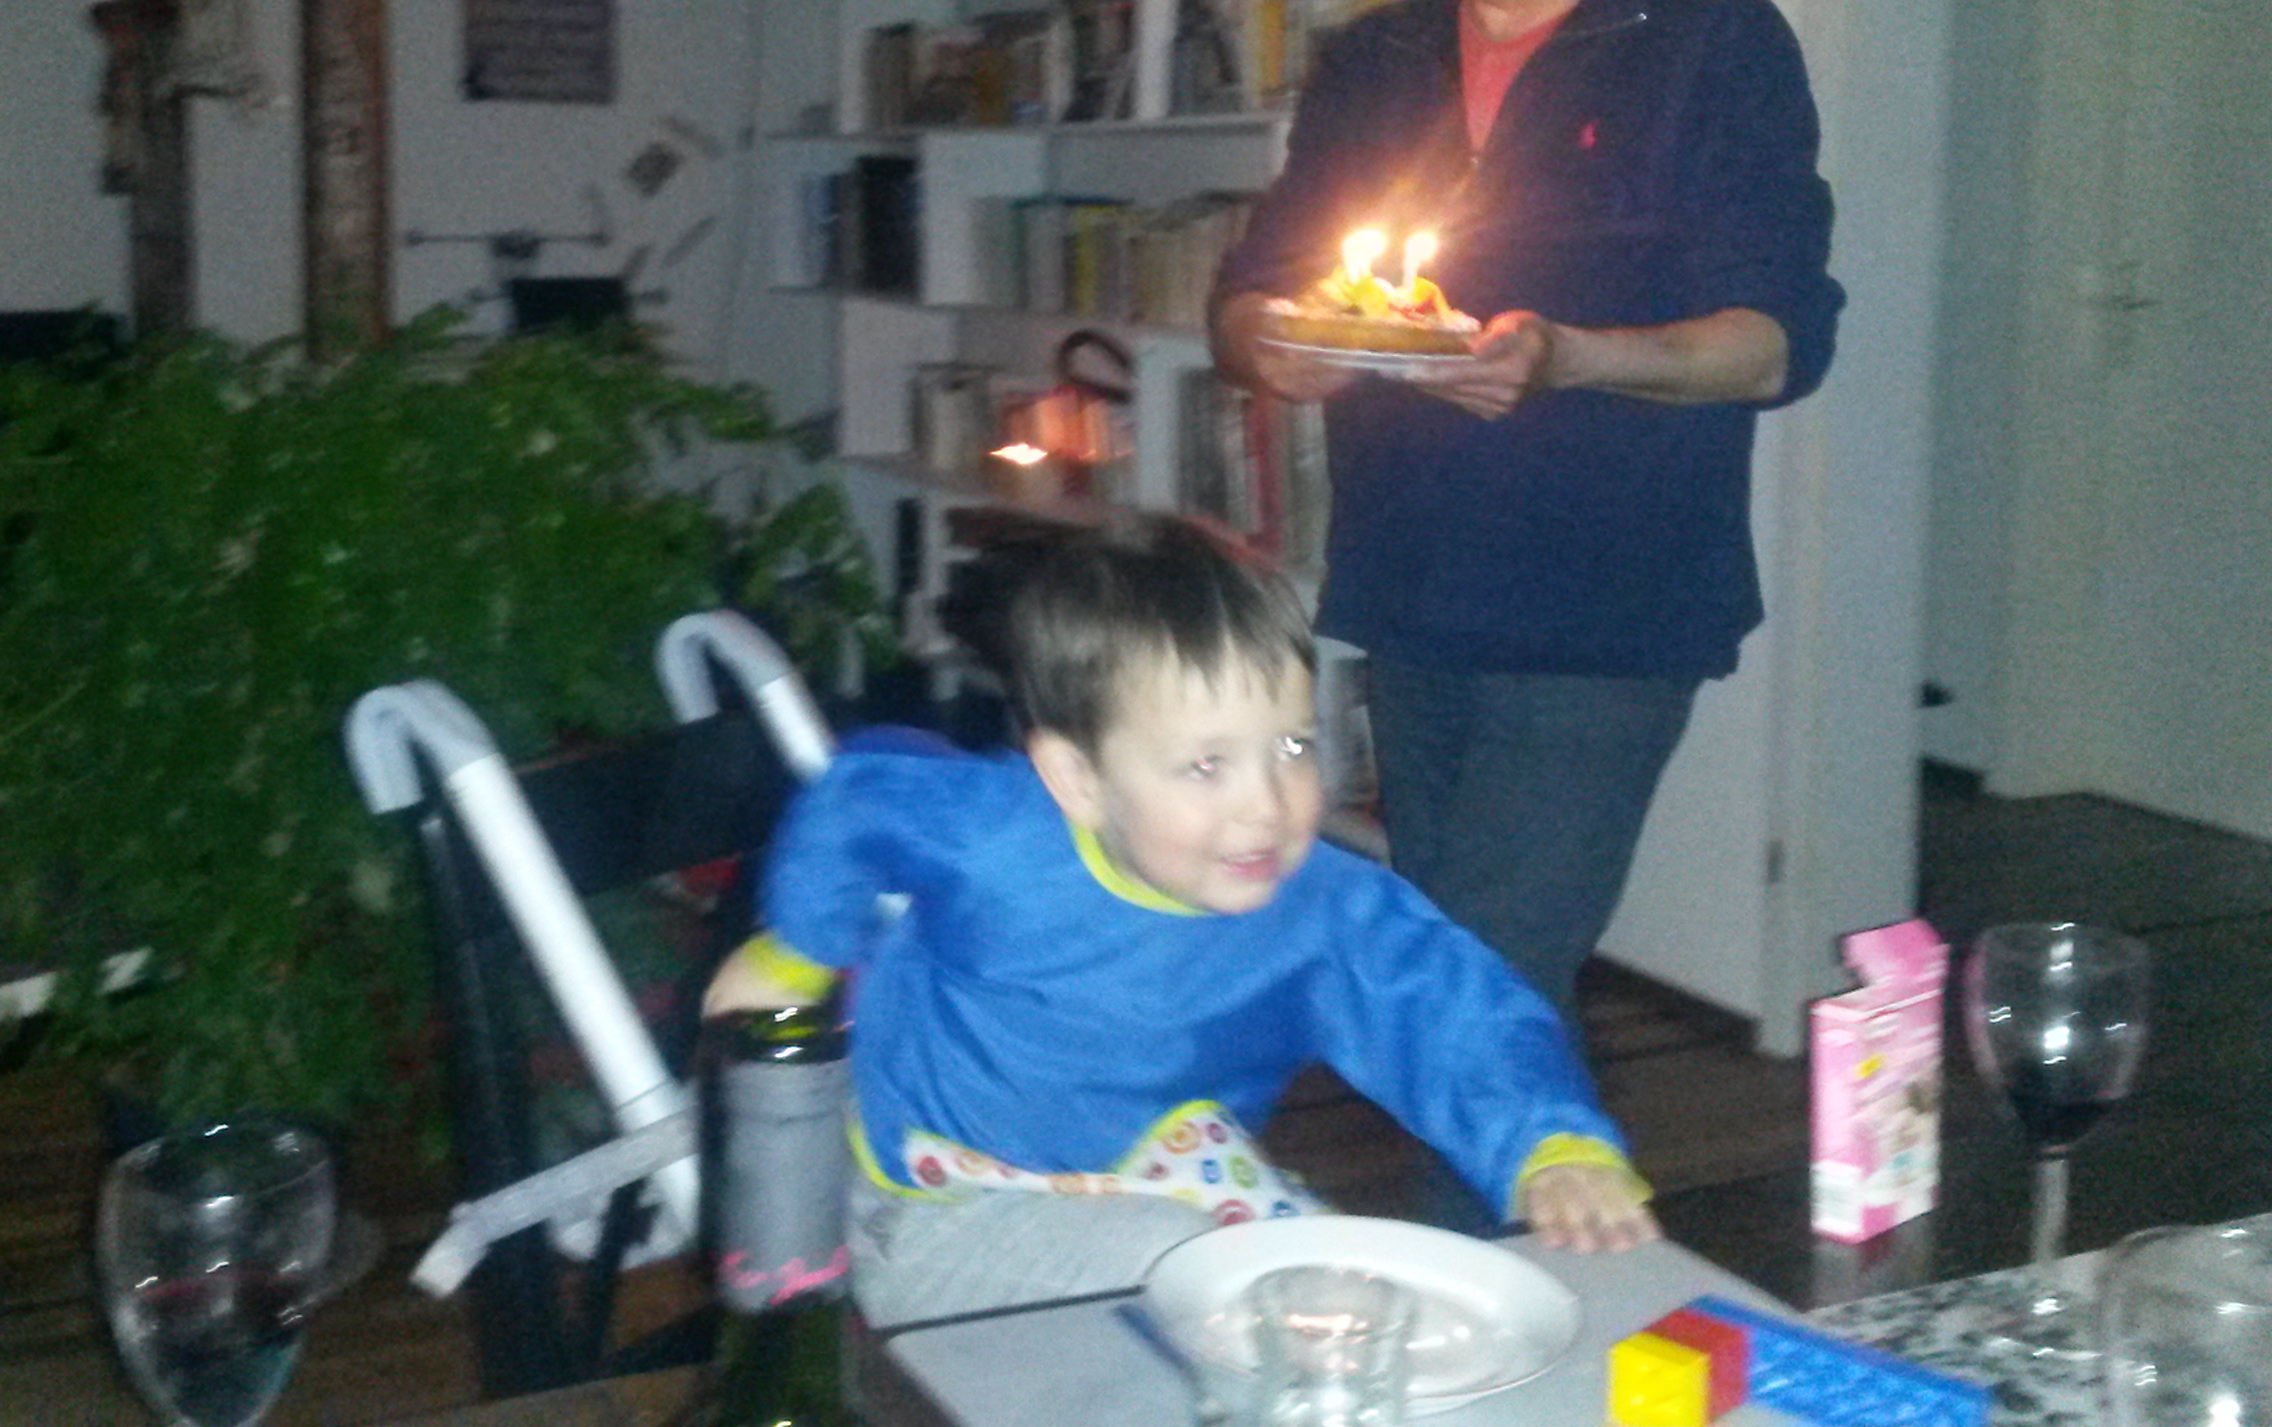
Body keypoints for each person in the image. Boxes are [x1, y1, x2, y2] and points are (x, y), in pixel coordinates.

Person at [1205, 0, 1844, 1023]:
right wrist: (1277, 343)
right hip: (1410, 591)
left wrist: (1569, 357)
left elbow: (1778, 342)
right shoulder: (1372, 61)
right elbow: (1249, 296)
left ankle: (1482, 1162)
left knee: (1481, 989)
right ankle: (1511, 1156)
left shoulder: (1714, 43)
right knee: (1453, 963)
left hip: (1606, 606)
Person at [703, 516, 1654, 1325]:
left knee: (1347, 1287)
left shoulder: (1324, 909)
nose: (1265, 806)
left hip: (1167, 1175)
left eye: (1292, 747)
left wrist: (1549, 1144)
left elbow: (1454, 1013)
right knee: (1211, 1286)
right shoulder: (998, 838)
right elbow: (863, 795)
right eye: (1207, 766)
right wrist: (796, 953)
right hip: (929, 1199)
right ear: (1078, 779)